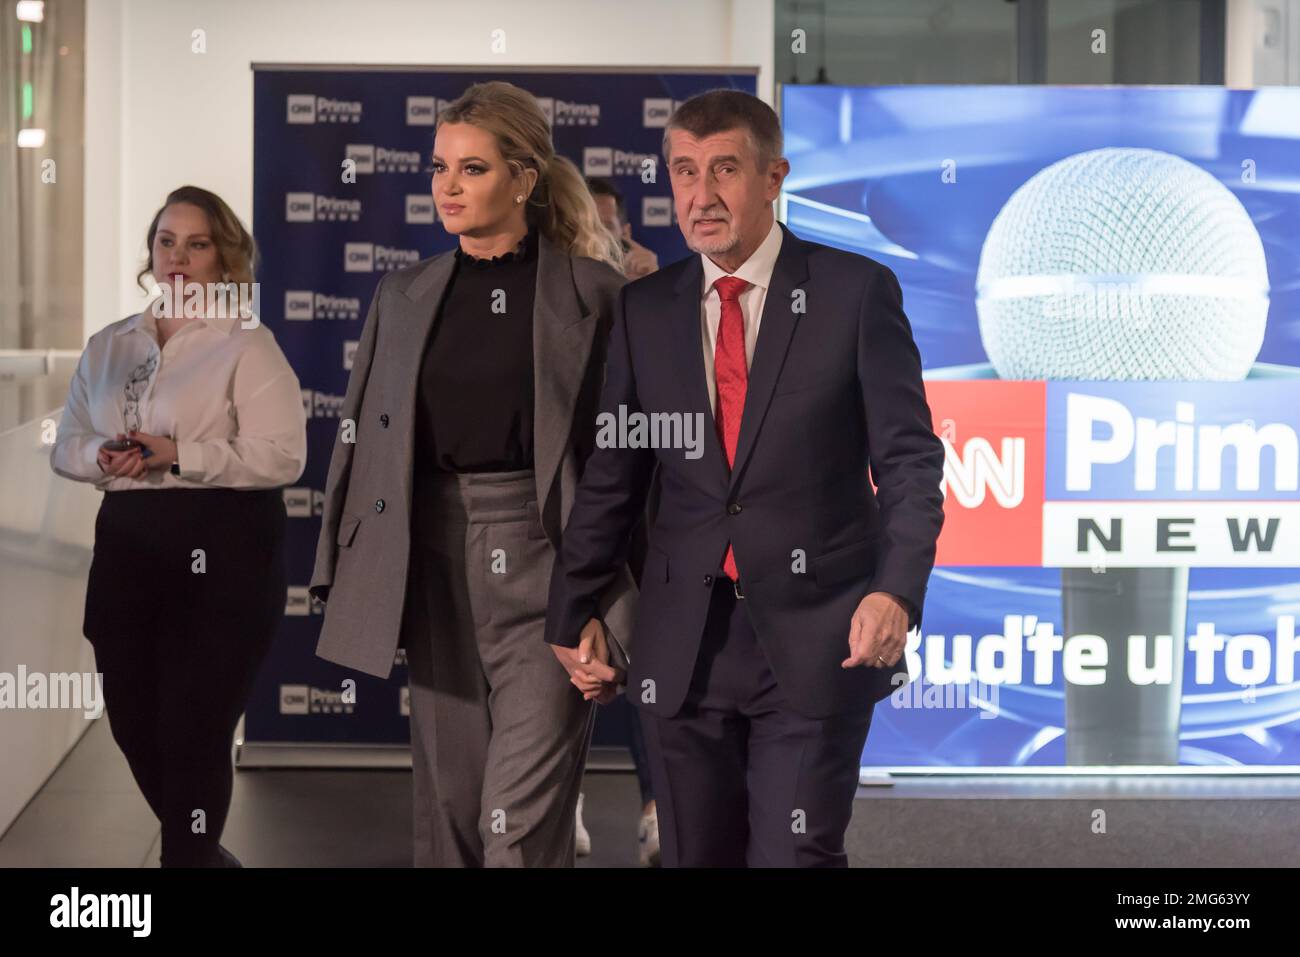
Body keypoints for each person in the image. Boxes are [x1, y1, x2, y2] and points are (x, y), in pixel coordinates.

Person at [544, 90, 946, 867]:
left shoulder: (855, 293)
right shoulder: (644, 310)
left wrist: (896, 589)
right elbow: (615, 471)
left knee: (795, 854)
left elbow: (908, 461)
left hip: (819, 634)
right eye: (684, 171)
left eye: (724, 169)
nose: (701, 194)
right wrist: (571, 610)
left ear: (773, 177)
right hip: (683, 645)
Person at [308, 81, 637, 867]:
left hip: (555, 567)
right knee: (451, 811)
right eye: (439, 168)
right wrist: (341, 568)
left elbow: (631, 469)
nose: (447, 187)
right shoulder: (404, 294)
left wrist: (613, 612)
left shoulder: (598, 296)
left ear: (524, 179)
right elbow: (361, 443)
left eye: (472, 169)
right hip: (431, 558)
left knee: (514, 824)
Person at [49, 185, 307, 867]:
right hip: (129, 547)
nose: (178, 258)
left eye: (197, 244)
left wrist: (181, 455)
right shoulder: (110, 345)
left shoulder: (248, 345)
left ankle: (187, 860)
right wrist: (98, 455)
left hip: (225, 552)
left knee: (195, 728)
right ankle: (204, 854)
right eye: (167, 241)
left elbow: (284, 454)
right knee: (135, 719)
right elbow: (66, 441)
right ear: (151, 250)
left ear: (224, 259)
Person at [581, 175, 662, 865]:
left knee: (645, 660)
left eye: (614, 225)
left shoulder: (650, 286)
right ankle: (563, 804)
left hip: (644, 503)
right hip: (568, 497)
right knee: (566, 656)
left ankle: (655, 807)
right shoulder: (553, 289)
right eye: (590, 224)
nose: (604, 238)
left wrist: (646, 292)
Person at [586, 176, 659, 279]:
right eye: (588, 226)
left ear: (625, 232)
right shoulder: (560, 281)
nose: (597, 235)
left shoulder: (638, 278)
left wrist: (650, 282)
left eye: (607, 226)